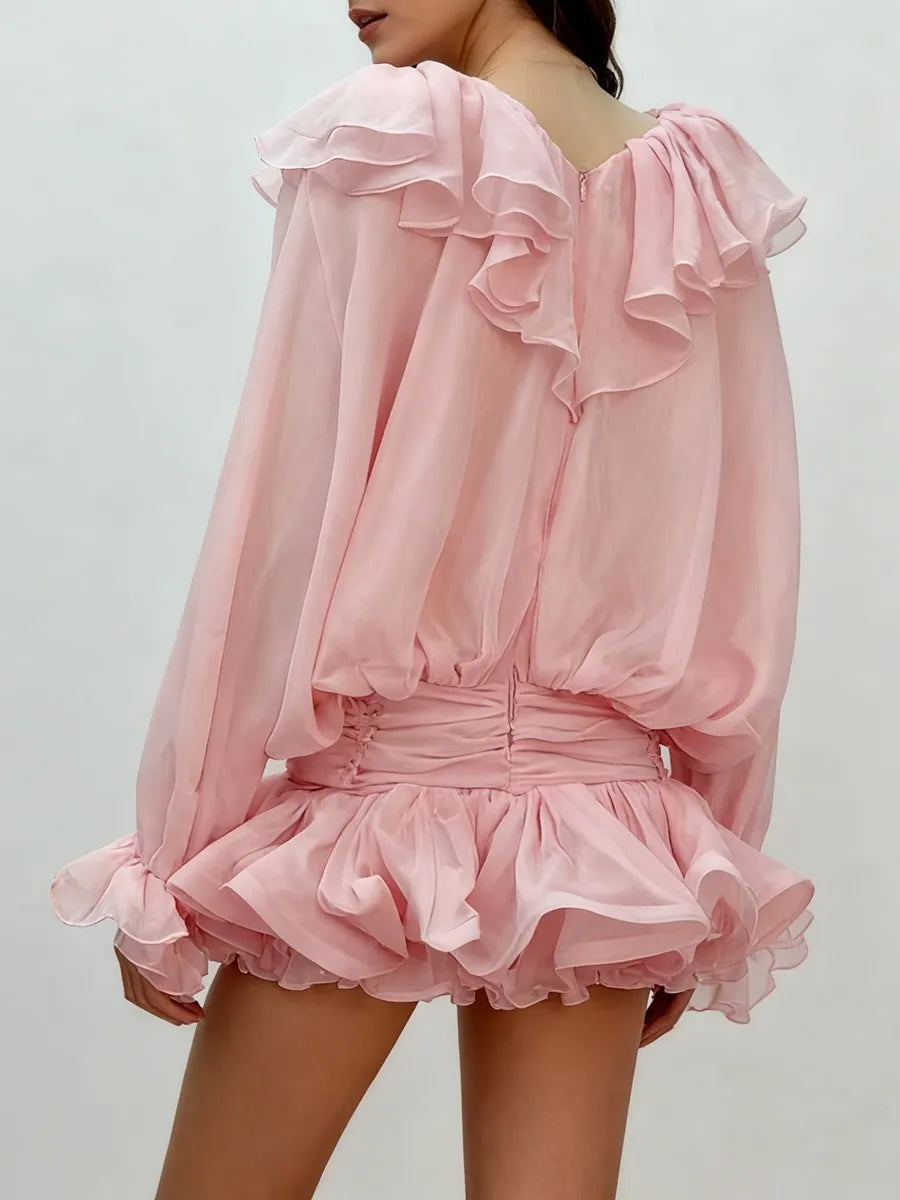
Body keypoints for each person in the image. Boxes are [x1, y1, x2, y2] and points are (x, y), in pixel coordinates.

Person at [49, 2, 816, 1197]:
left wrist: (174, 855)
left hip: (376, 825)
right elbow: (745, 555)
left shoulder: (388, 142)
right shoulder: (699, 187)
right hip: (604, 845)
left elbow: (277, 524)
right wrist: (707, 849)